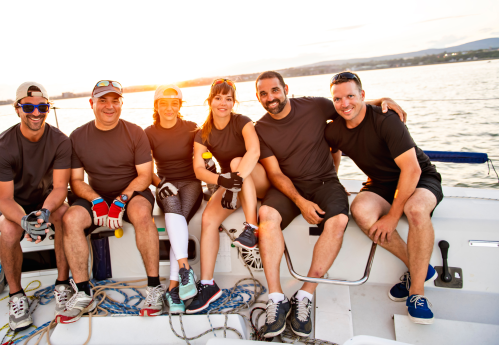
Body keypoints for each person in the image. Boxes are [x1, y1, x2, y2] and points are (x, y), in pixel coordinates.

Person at [254, 71, 406, 338]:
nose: (270, 98)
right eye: (263, 93)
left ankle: (305, 295)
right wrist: (300, 202)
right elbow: (276, 174)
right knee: (266, 215)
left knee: (338, 221)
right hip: (290, 187)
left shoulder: (314, 105)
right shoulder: (260, 128)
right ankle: (276, 298)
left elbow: (350, 106)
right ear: (258, 97)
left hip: (325, 182)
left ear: (285, 88)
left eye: (275, 91)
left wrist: (386, 99)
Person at [324, 72, 443, 324]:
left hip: (420, 179)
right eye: (338, 99)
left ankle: (417, 293)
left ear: (363, 96)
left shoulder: (386, 119)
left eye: (350, 96)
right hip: (381, 184)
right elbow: (333, 153)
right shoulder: (334, 129)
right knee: (360, 210)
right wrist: (334, 181)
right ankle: (420, 268)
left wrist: (392, 216)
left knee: (416, 210)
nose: (344, 103)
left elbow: (412, 170)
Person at [59, 80, 162, 322]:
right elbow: (76, 180)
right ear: (91, 103)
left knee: (141, 214)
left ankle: (154, 288)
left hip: (132, 193)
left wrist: (120, 200)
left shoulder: (135, 132)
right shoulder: (78, 136)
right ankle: (83, 292)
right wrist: (96, 201)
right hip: (97, 195)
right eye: (103, 100)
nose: (110, 106)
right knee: (71, 218)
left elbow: (145, 176)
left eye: (115, 101)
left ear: (121, 104)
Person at [0, 81, 72, 331]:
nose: (36, 112)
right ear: (17, 109)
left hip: (46, 199)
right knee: (11, 231)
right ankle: (16, 296)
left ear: (48, 108)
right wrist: (25, 220)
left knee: (64, 215)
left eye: (42, 107)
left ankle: (62, 285)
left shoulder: (60, 141)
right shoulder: (2, 147)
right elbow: (4, 199)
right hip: (15, 202)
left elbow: (60, 188)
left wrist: (45, 212)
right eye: (28, 106)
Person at [186, 78, 271, 314]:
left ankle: (251, 227)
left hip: (258, 179)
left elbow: (254, 152)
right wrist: (222, 181)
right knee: (208, 220)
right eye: (218, 98)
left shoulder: (242, 122)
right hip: (232, 181)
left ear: (234, 102)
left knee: (236, 161)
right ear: (209, 101)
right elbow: (199, 170)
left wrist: (233, 184)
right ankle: (208, 285)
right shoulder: (202, 133)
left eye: (228, 98)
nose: (223, 103)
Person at [144, 84, 203, 314]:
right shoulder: (148, 132)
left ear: (180, 106)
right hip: (165, 183)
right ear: (156, 106)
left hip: (190, 183)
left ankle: (174, 288)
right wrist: (160, 183)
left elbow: (204, 158)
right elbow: (147, 169)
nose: (169, 108)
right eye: (164, 103)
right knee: (171, 206)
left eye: (174, 103)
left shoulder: (192, 128)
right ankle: (184, 272)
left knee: (176, 218)